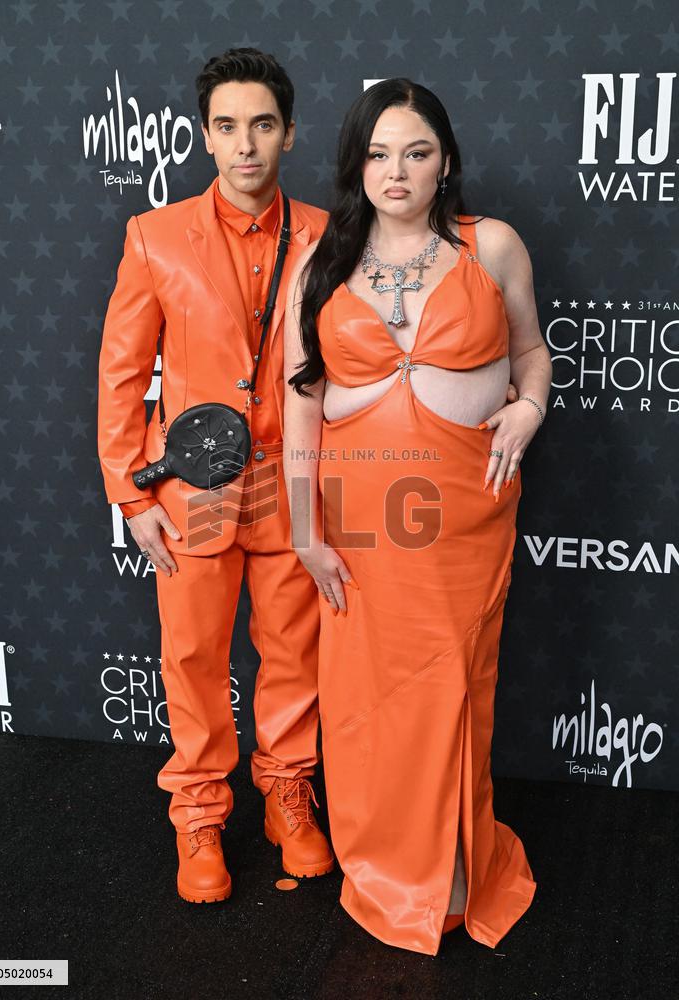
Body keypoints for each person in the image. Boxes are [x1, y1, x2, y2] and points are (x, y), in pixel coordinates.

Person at [283, 78, 551, 955]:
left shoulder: (492, 246)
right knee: (370, 700)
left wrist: (530, 407)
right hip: (364, 521)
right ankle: (392, 864)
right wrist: (306, 533)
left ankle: (458, 866)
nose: (395, 171)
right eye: (376, 153)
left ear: (446, 162)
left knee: (453, 688)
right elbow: (299, 407)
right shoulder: (320, 264)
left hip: (467, 512)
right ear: (354, 164)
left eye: (417, 151)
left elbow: (529, 351)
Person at [97, 48, 334, 905]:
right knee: (193, 657)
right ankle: (198, 811)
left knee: (293, 654)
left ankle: (286, 792)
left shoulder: (326, 233)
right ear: (204, 136)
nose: (246, 145)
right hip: (193, 491)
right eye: (228, 126)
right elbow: (123, 374)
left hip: (292, 481)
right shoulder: (154, 236)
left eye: (263, 125)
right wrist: (130, 492)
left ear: (289, 134)